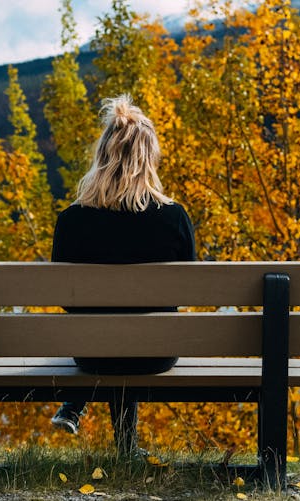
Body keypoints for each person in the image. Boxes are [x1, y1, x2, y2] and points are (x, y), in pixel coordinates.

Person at [49, 94, 196, 451]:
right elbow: (188, 292)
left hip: (92, 352)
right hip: (156, 352)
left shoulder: (71, 221)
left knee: (108, 331)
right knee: (137, 329)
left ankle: (77, 405)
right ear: (150, 158)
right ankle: (125, 446)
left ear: (102, 157)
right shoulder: (173, 217)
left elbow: (63, 300)